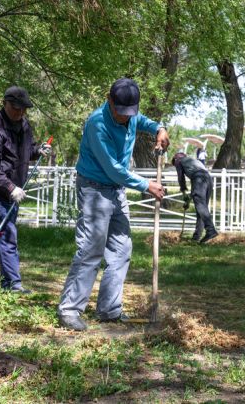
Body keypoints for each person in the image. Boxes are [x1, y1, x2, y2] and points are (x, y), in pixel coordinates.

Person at [57, 78, 169, 331]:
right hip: (94, 189)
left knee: (121, 249)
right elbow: (113, 168)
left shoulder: (131, 115)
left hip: (116, 190)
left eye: (130, 112)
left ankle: (109, 309)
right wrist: (145, 185)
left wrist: (159, 129)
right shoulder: (98, 123)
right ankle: (69, 310)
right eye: (121, 112)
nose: (125, 118)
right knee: (91, 249)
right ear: (110, 101)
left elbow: (144, 122)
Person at [0, 86, 51, 293]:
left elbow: (26, 151)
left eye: (23, 109)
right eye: (16, 108)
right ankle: (12, 285)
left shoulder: (24, 125)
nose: (20, 113)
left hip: (13, 191)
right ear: (5, 103)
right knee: (7, 234)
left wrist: (38, 150)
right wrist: (10, 188)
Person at [172, 152, 219, 244]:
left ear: (176, 159)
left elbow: (181, 178)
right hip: (208, 178)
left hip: (198, 178)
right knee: (201, 208)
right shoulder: (192, 160)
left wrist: (184, 193)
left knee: (201, 207)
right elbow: (195, 192)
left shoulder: (179, 161)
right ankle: (196, 237)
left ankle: (211, 230)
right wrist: (188, 201)